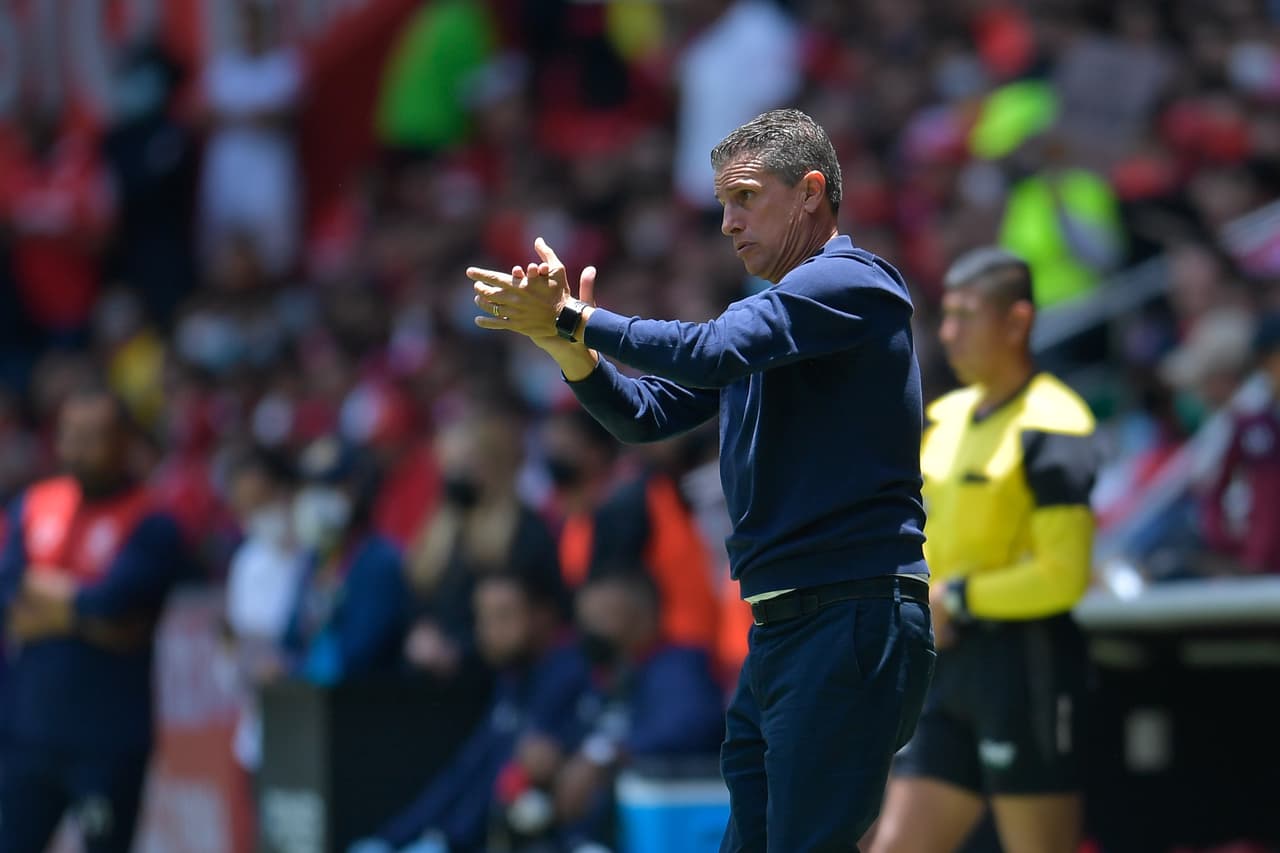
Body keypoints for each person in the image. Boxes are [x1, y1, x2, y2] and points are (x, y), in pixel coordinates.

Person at [468, 108, 936, 851]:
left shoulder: (854, 283)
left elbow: (711, 351)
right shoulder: (775, 319)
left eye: (745, 196)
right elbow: (644, 416)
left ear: (811, 191)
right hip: (785, 630)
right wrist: (563, 344)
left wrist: (578, 318)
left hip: (849, 615)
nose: (726, 221)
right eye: (721, 202)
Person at [870, 248, 1098, 853]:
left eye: (966, 316)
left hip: (1026, 667)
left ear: (1017, 322)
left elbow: (1064, 576)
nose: (948, 335)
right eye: (945, 316)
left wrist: (960, 599)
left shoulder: (1056, 425)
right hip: (947, 667)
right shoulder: (944, 418)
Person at [0, 384, 185, 853]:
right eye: (69, 435)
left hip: (108, 740)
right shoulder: (34, 505)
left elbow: (113, 604)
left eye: (93, 436)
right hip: (27, 734)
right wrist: (89, 616)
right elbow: (10, 594)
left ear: (125, 441)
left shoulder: (153, 520)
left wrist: (52, 606)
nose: (78, 449)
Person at [348, 570, 593, 853]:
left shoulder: (570, 675)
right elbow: (465, 771)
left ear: (543, 615)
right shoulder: (512, 677)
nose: (489, 632)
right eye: (483, 618)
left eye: (504, 616)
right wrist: (393, 837)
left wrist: (446, 841)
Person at [553, 569, 727, 848]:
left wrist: (606, 755)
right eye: (586, 621)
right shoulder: (603, 676)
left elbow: (687, 726)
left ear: (644, 615)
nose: (593, 631)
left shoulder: (678, 667)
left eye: (604, 618)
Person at [281, 436, 407, 685]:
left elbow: (360, 653)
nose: (316, 499)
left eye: (330, 486)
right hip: (316, 704)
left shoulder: (380, 561)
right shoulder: (314, 559)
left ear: (356, 488)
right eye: (311, 487)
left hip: (360, 706)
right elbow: (291, 636)